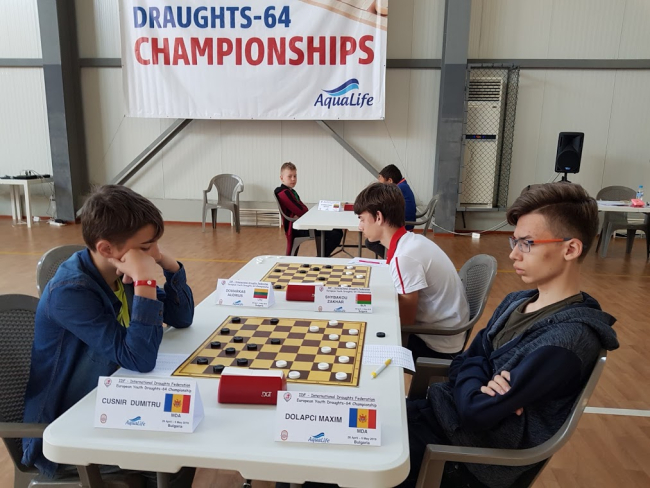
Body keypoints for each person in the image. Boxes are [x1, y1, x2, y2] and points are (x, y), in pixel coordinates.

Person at [400, 182, 619, 488]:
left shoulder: (567, 342)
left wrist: (475, 371)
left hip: (459, 459)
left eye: (527, 243)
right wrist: (481, 374)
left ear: (570, 249)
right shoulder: (516, 302)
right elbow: (464, 361)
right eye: (514, 241)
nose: (514, 254)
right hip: (437, 418)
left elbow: (475, 412)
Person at [22, 185, 195, 486]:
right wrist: (144, 282)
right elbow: (139, 359)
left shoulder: (118, 272)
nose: (153, 253)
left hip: (117, 399)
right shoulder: (70, 292)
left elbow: (182, 318)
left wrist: (168, 265)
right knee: (181, 457)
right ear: (106, 249)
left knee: (190, 437)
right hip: (70, 425)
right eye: (146, 247)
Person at [354, 183, 469, 361]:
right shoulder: (411, 242)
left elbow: (404, 323)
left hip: (437, 345)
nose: (360, 227)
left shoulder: (405, 257)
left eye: (362, 219)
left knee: (358, 341)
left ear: (378, 217)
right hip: (445, 333)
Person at [274, 162, 343, 257]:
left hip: (301, 223)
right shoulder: (284, 193)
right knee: (335, 234)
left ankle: (322, 257)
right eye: (289, 176)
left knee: (337, 230)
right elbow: (302, 211)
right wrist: (299, 213)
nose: (293, 179)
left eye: (295, 176)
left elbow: (303, 209)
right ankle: (320, 258)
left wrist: (300, 212)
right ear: (282, 178)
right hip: (296, 228)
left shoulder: (291, 191)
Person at [365, 164, 417, 259]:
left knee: (370, 241)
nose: (379, 183)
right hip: (403, 223)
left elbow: (384, 207)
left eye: (380, 180)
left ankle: (394, 258)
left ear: (389, 181)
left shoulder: (397, 190)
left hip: (403, 226)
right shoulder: (402, 186)